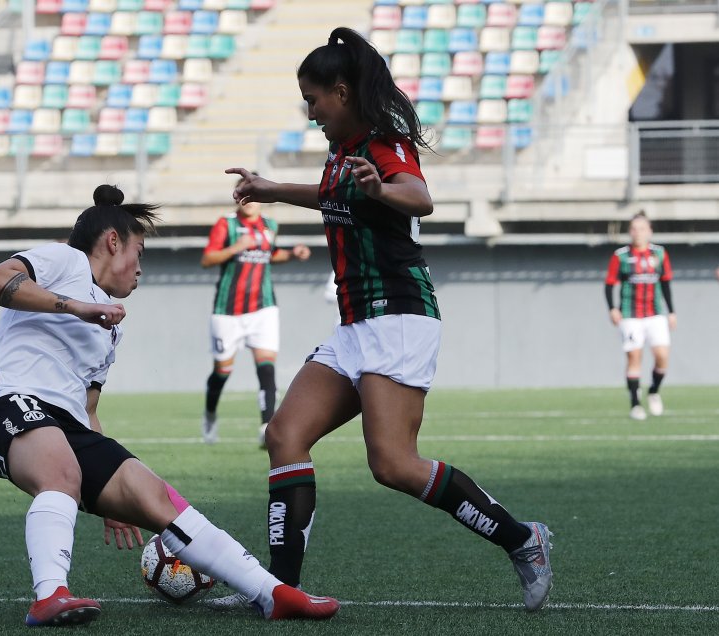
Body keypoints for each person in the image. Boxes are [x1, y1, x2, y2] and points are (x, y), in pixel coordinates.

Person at [210, 27, 553, 613]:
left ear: (340, 92)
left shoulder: (383, 143)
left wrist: (384, 189)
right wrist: (269, 190)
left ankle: (524, 539)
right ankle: (278, 592)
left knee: (393, 465)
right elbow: (330, 195)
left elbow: (419, 196)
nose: (309, 111)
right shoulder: (342, 152)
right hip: (356, 325)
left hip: (399, 317)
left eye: (313, 99)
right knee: (284, 435)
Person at [0, 185, 340, 627]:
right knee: (61, 474)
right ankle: (50, 595)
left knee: (157, 497)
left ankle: (271, 593)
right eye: (138, 253)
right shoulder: (64, 260)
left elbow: (88, 408)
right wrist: (75, 307)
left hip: (67, 426)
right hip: (8, 402)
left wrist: (106, 487)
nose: (140, 269)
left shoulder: (112, 323)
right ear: (112, 242)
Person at [201, 182, 311, 446]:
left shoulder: (270, 226)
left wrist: (293, 254)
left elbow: (270, 255)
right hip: (227, 311)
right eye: (244, 195)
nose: (251, 200)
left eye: (255, 195)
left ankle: (267, 426)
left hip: (264, 307)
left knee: (266, 365)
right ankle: (210, 414)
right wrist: (236, 248)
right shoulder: (225, 225)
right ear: (238, 198)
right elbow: (207, 259)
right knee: (222, 371)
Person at [604, 212, 677, 420]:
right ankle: (635, 404)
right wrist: (612, 308)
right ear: (630, 232)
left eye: (642, 228)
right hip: (630, 315)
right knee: (634, 357)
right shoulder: (621, 256)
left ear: (650, 231)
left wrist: (671, 311)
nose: (638, 233)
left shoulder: (659, 254)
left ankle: (653, 391)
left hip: (655, 313)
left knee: (662, 357)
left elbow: (665, 283)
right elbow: (609, 284)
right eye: (634, 229)